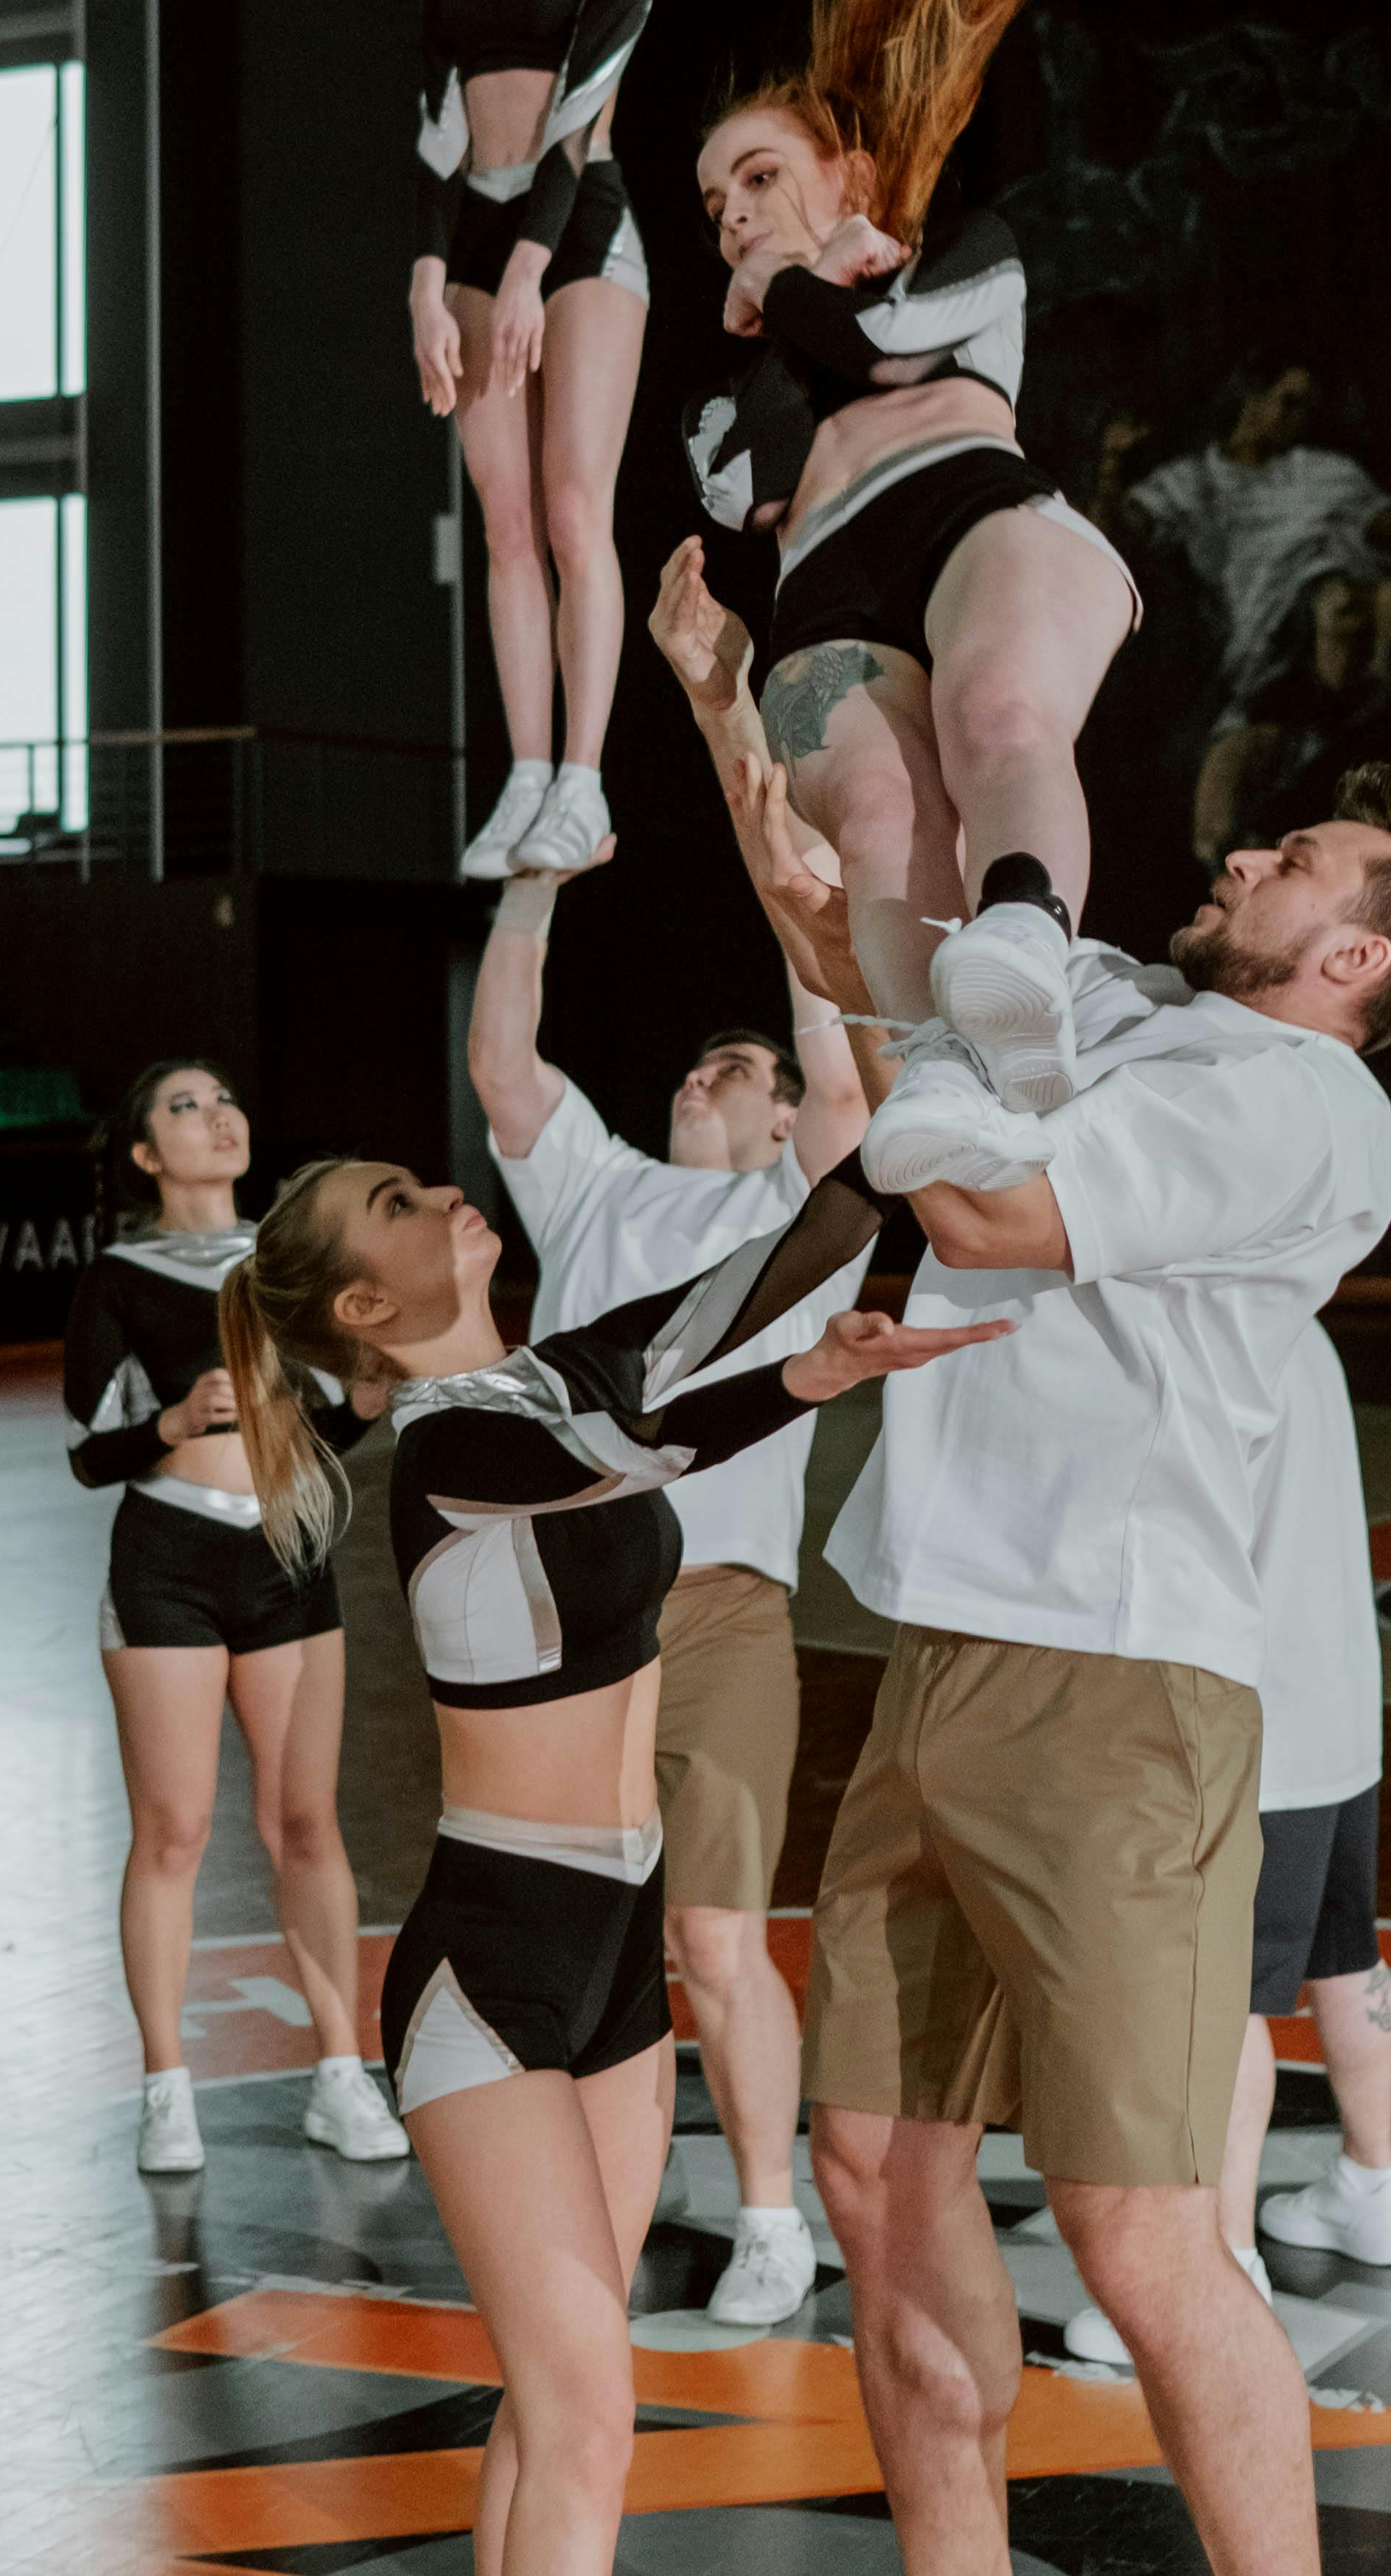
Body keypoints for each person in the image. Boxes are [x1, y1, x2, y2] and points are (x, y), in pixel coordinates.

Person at [713, 749, 1391, 2576]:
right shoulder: (1131, 1013)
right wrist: (756, 780)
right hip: (937, 1658)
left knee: (1137, 2231)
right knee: (872, 2182)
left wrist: (942, 1055)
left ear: (1353, 958)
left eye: (1292, 859)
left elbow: (971, 1210)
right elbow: (883, 977)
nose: (1236, 850)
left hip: (1120, 1689)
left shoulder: (1299, 1101)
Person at [218, 1146, 1007, 2576]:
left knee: (555, 2402)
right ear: (361, 1303)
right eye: (394, 1207)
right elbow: (637, 1451)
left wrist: (900, 1132)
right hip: (490, 1972)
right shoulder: (453, 1446)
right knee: (591, 2412)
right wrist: (807, 1382)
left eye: (418, 1179)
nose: (436, 1192)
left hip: (613, 1960)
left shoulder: (545, 1376)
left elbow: (759, 1269)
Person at [680, 0, 1276, 1077]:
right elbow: (745, 493)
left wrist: (793, 289)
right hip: (827, 588)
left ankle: (1025, 952)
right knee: (877, 813)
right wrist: (772, 328)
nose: (731, 214)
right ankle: (934, 1075)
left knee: (998, 722)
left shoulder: (970, 262)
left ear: (850, 179)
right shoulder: (729, 392)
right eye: (712, 200)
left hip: (972, 506)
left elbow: (880, 358)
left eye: (758, 178)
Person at [466, 812, 870, 2331]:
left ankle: (773, 2213)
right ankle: (594, 2194)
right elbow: (506, 1062)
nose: (707, 1072)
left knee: (715, 1929)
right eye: (695, 1061)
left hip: (719, 1615)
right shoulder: (594, 1190)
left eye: (737, 1067)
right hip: (570, 1606)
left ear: (776, 1121)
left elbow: (838, 1079)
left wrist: (796, 913)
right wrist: (530, 885)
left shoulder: (792, 1218)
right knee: (586, 1931)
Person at [62, 1061, 407, 2178]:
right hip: (167, 1562)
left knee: (304, 1825)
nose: (217, 1115)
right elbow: (87, 1451)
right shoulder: (116, 1277)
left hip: (286, 1560)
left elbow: (313, 1439)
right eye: (183, 1107)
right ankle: (166, 2087)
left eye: (224, 1099)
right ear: (146, 1157)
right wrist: (167, 1421)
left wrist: (362, 1406)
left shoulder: (291, 1264)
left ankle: (340, 2074)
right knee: (173, 1833)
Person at [1062, 1317, 1391, 2370]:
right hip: (1343, 1705)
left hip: (1258, 1723)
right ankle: (1369, 2188)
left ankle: (1220, 2259)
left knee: (1227, 1995)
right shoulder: (1301, 1332)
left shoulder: (1212, 1344)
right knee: (1340, 1950)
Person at [410, 0, 656, 882]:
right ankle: (520, 772)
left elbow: (579, 121)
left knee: (569, 510)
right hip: (472, 233)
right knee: (499, 521)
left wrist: (525, 272)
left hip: (580, 232)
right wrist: (425, 281)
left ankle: (582, 775)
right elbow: (433, 137)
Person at [1102, 353, 1391, 866]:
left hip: (1351, 628)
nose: (1294, 416)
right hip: (1266, 671)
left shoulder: (1324, 476)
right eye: (1288, 400)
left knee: (1359, 605)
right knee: (1215, 832)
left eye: (1305, 408)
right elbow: (1117, 532)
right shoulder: (1193, 482)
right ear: (1251, 397)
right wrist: (1110, 465)